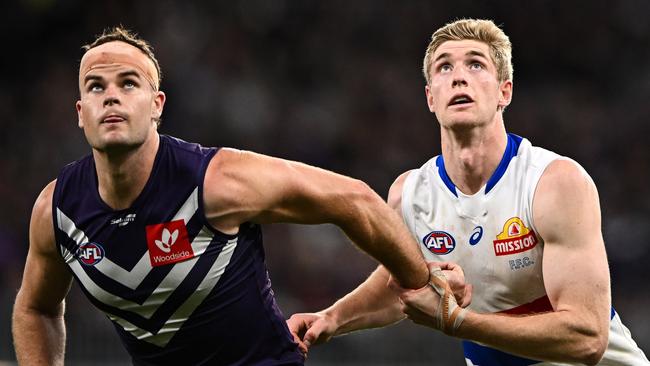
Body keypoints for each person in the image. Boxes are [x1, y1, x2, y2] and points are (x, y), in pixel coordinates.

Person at [10, 26, 446, 366]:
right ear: (80, 113)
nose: (111, 98)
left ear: (157, 104)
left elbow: (354, 199)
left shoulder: (217, 180)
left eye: (128, 83)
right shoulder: (58, 211)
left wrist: (421, 281)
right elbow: (36, 308)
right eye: (96, 87)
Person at [287, 18, 649, 365]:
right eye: (444, 68)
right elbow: (398, 284)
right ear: (431, 98)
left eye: (475, 65)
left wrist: (458, 322)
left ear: (503, 91)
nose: (458, 76)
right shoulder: (409, 195)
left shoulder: (553, 182)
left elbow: (587, 337)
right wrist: (331, 318)